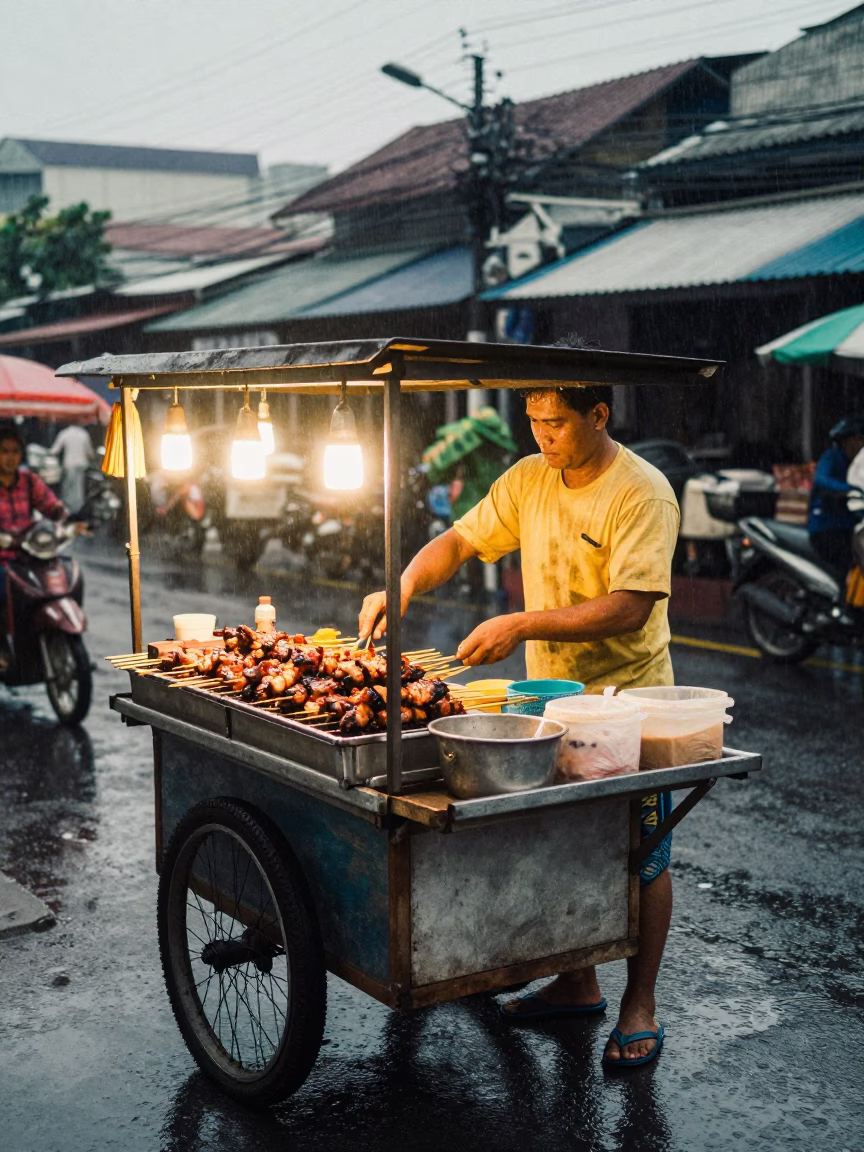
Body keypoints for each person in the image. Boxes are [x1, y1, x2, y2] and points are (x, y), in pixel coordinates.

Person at [359, 372, 679, 1071]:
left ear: (599, 413)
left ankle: (640, 1004)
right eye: (534, 421)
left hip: (626, 705)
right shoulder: (531, 477)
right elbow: (462, 541)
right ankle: (577, 978)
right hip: (546, 700)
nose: (543, 436)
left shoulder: (641, 491)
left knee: (641, 849)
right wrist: (404, 581)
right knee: (561, 837)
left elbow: (632, 604)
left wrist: (522, 622)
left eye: (557, 423)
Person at [0, 425, 67, 671]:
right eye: (4, 451)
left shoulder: (29, 481)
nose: (10, 457)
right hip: (3, 560)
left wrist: (62, 515)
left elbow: (50, 503)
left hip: (30, 554)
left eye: (14, 451)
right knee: (4, 589)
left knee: (62, 577)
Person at [808, 416, 864, 574]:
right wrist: (849, 489)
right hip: (827, 528)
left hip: (850, 527)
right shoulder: (831, 457)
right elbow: (821, 480)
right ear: (847, 441)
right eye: (859, 440)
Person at [51, 422, 95, 514]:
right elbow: (90, 452)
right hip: (82, 465)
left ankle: (69, 511)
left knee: (68, 488)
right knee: (79, 488)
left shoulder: (64, 433)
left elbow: (54, 451)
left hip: (69, 465)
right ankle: (78, 510)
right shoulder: (84, 434)